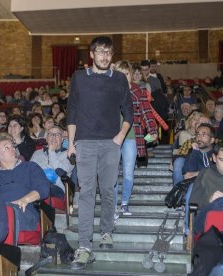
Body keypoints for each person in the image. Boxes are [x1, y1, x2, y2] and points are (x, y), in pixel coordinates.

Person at [67, 36, 133, 270]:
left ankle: (106, 231)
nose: (105, 56)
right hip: (84, 142)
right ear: (92, 54)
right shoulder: (78, 78)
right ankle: (84, 246)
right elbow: (72, 110)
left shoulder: (119, 79)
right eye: (101, 51)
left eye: (109, 52)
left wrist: (119, 137)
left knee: (107, 189)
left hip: (110, 143)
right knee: (86, 193)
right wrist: (71, 143)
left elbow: (129, 112)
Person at [112, 61, 157, 216]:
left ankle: (124, 203)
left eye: (126, 73)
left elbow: (146, 111)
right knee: (111, 172)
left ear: (130, 74)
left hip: (132, 134)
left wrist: (152, 129)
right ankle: (111, 206)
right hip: (111, 135)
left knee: (128, 172)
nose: (123, 77)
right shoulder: (109, 90)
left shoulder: (138, 90)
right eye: (120, 73)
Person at [0, 132, 49, 232]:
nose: (13, 149)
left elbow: (43, 188)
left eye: (13, 146)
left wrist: (24, 200)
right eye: (7, 147)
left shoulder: (30, 167)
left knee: (7, 214)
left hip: (23, 213)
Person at [31, 125, 74, 198]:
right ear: (47, 138)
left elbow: (61, 170)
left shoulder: (69, 154)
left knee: (43, 189)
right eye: (50, 134)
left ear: (62, 139)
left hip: (56, 187)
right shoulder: (37, 153)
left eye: (57, 135)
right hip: (36, 184)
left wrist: (51, 151)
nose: (54, 136)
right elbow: (29, 170)